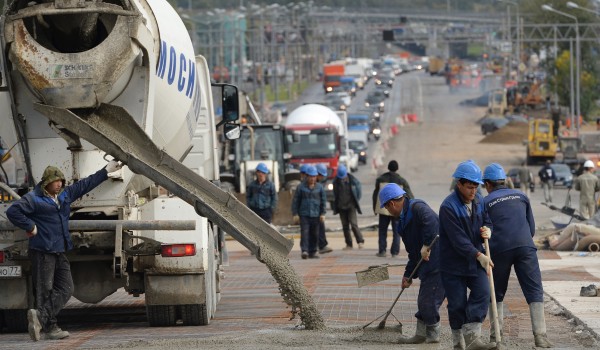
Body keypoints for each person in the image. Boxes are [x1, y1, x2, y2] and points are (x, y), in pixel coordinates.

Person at [6, 160, 122, 341]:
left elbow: (85, 184)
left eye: (61, 180)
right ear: (47, 182)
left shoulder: (64, 195)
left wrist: (106, 171)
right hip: (42, 250)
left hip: (59, 250)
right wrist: (30, 226)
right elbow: (13, 211)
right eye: (56, 181)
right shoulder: (33, 199)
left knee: (67, 288)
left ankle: (40, 316)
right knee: (45, 290)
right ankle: (50, 328)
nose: (60, 184)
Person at [482, 163, 553, 348]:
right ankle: (541, 337)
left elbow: (483, 229)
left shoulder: (485, 202)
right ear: (505, 181)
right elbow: (531, 228)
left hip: (499, 248)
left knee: (495, 293)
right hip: (525, 246)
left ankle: (496, 337)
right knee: (534, 289)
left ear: (488, 184)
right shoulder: (521, 196)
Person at [439, 160, 495, 350]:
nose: (473, 191)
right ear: (459, 184)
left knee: (483, 291)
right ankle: (458, 342)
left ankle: (472, 336)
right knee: (457, 304)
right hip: (453, 264)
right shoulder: (448, 207)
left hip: (475, 260)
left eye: (476, 187)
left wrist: (488, 229)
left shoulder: (479, 200)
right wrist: (479, 255)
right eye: (469, 187)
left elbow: (487, 220)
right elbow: (458, 240)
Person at [379, 183, 445, 344]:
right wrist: (408, 275)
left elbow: (434, 225)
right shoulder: (401, 223)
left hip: (440, 262)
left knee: (428, 301)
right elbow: (413, 253)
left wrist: (426, 244)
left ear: (392, 204)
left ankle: (433, 335)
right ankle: (421, 334)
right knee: (424, 300)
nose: (388, 212)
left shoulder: (418, 208)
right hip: (426, 266)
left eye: (387, 208)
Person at [372, 160, 414, 257]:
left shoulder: (380, 179)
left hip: (383, 210)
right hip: (397, 209)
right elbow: (409, 195)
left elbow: (375, 195)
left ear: (388, 167)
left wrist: (375, 208)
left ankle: (382, 251)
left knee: (382, 230)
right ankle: (394, 252)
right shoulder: (402, 180)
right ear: (397, 168)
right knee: (397, 231)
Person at [291, 165, 326, 259]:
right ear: (307, 176)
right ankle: (305, 251)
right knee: (305, 233)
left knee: (315, 234)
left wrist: (323, 213)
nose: (312, 178)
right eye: (311, 176)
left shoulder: (320, 187)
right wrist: (295, 214)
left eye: (314, 176)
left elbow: (323, 201)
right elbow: (296, 201)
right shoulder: (301, 187)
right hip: (304, 214)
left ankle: (313, 252)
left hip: (316, 214)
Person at [333, 165, 365, 250]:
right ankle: (349, 244)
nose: (342, 179)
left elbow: (358, 192)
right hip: (341, 207)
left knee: (354, 224)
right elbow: (335, 194)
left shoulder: (353, 180)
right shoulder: (336, 182)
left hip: (351, 206)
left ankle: (360, 241)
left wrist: (355, 201)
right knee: (345, 226)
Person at [316, 164, 332, 254]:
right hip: (313, 211)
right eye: (321, 175)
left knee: (321, 227)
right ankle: (319, 246)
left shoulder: (320, 184)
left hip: (318, 210)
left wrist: (322, 212)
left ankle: (322, 245)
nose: (322, 177)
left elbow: (322, 199)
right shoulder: (313, 184)